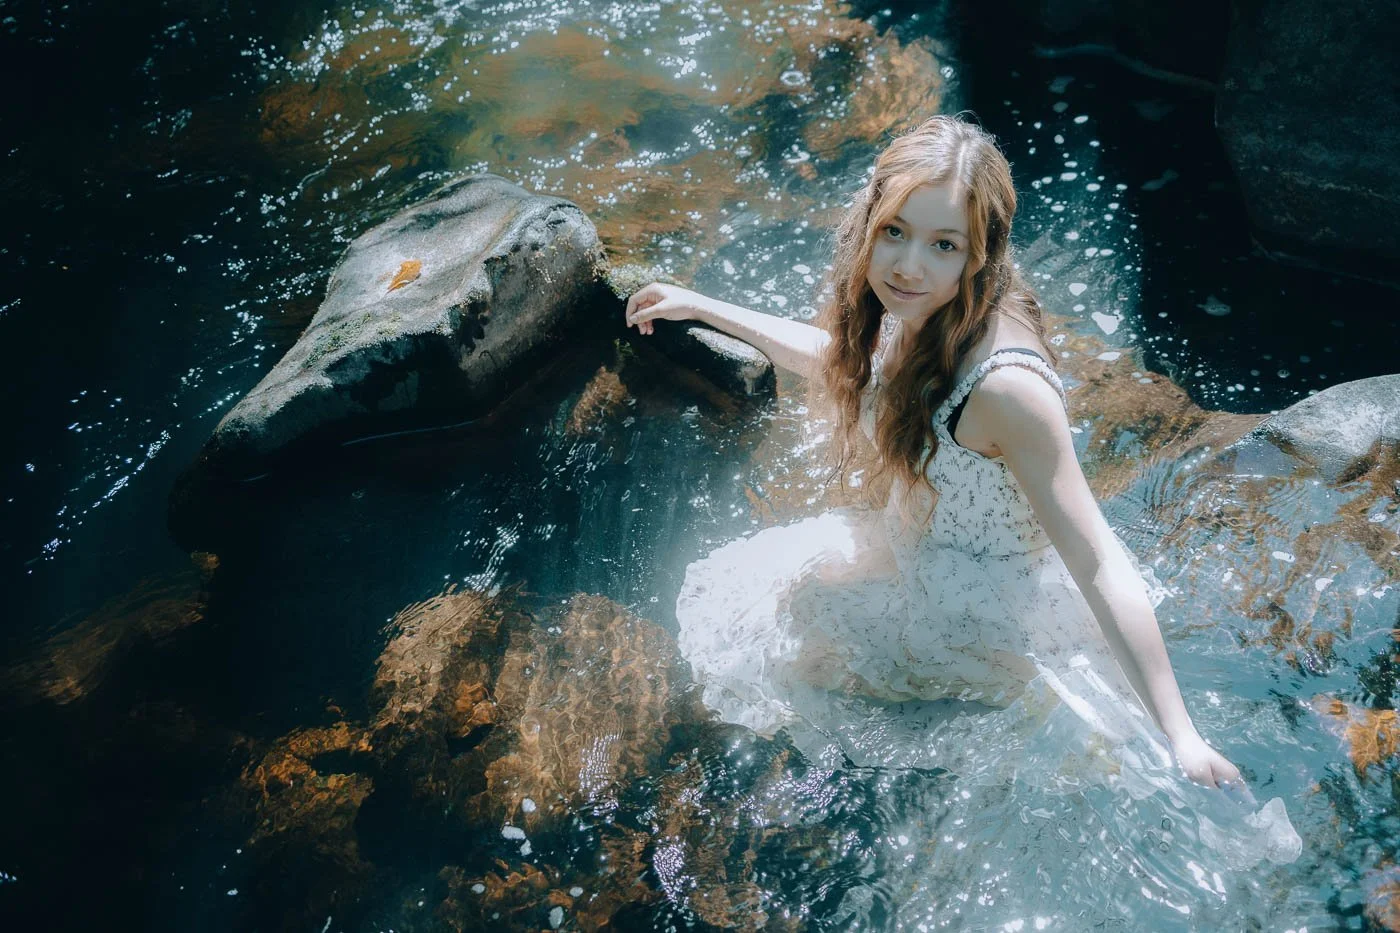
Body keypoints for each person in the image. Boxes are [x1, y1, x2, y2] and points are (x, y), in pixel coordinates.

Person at [623, 115, 1299, 866]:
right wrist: (704, 305)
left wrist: (1182, 734)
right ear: (869, 224)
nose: (909, 265)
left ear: (979, 256)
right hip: (923, 544)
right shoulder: (927, 308)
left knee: (773, 651)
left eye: (942, 245)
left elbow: (1099, 557)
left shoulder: (1008, 391)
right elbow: (848, 364)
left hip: (979, 607)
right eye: (895, 232)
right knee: (763, 602)